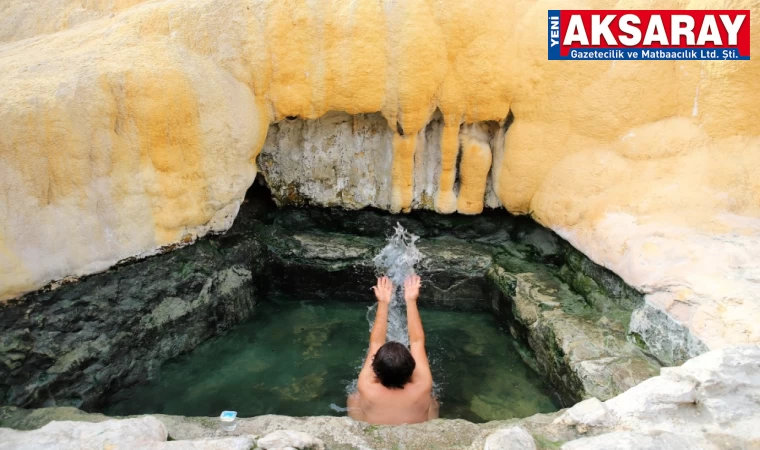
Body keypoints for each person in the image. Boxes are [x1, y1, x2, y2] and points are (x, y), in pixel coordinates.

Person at [347, 274, 439, 424]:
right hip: (414, 429)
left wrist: (383, 302)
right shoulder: (423, 385)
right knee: (433, 401)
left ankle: (359, 426)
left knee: (354, 397)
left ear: (375, 370)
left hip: (375, 428)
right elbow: (416, 341)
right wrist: (411, 300)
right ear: (412, 369)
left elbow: (376, 342)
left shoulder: (366, 386)